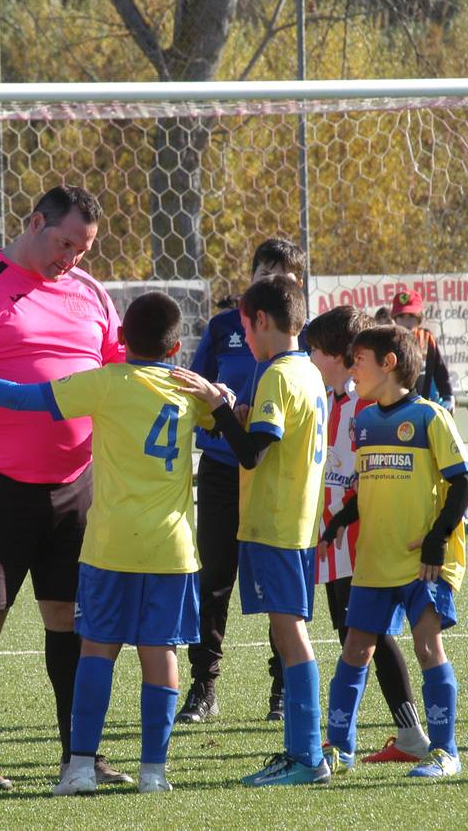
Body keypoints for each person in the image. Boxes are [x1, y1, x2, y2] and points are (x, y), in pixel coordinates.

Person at [0, 292, 214, 795]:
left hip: (110, 547)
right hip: (173, 551)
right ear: (176, 347)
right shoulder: (191, 392)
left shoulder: (106, 384)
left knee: (95, 651)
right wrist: (225, 398)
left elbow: (28, 399)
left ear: (121, 339)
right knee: (161, 655)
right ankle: (155, 773)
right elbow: (232, 432)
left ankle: (80, 767)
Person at [0, 185, 129, 791]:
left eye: (84, 248)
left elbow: (123, 371)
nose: (73, 257)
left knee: (69, 619)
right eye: (66, 242)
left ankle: (78, 755)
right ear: (35, 221)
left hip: (75, 482)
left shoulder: (92, 293)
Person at [173, 274, 332, 787]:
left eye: (247, 326)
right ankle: (301, 753)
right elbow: (266, 440)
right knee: (289, 635)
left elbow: (250, 453)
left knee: (290, 636)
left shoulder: (277, 376)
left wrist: (218, 406)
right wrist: (234, 416)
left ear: (260, 321)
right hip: (296, 522)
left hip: (276, 524)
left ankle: (307, 757)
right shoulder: (306, 370)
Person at [320, 324, 468, 779]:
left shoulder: (430, 417)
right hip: (374, 558)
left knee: (428, 648)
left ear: (388, 363)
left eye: (359, 360)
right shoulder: (364, 421)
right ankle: (339, 749)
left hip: (422, 559)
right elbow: (368, 487)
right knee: (354, 650)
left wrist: (436, 537)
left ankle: (445, 751)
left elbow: (463, 480)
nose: (352, 369)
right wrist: (340, 520)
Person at [177, 238, 304, 725]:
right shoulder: (224, 327)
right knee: (212, 579)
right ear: (250, 277)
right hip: (223, 469)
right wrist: (222, 417)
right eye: (264, 274)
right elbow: (195, 393)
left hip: (275, 477)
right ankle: (204, 687)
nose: (272, 284)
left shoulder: (303, 338)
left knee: (279, 582)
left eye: (284, 278)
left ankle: (282, 686)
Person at [306, 305, 431, 763]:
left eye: (317, 351)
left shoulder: (365, 407)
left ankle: (402, 735)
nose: (311, 359)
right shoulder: (335, 401)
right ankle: (365, 737)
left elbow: (372, 476)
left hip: (361, 542)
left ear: (341, 356)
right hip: (338, 539)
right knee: (355, 637)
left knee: (366, 637)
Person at [390, 290, 453, 409]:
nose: (407, 322)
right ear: (395, 319)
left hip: (424, 401)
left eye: (411, 317)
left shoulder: (427, 338)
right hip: (396, 404)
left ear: (419, 318)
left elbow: (439, 368)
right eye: (402, 316)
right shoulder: (390, 340)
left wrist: (448, 395)